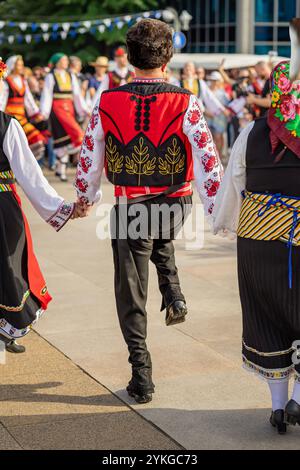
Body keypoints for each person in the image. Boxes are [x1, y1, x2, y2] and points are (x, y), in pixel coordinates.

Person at [75, 18, 222, 404]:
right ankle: (173, 292)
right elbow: (208, 157)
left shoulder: (107, 100)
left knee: (130, 290)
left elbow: (90, 153)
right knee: (161, 232)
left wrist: (84, 198)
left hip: (130, 205)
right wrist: (217, 209)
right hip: (176, 202)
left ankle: (142, 374)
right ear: (167, 56)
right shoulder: (186, 100)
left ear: (128, 56)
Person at [213, 18, 300, 434]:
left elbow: (235, 183)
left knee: (268, 318)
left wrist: (226, 223)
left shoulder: (251, 130)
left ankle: (280, 409)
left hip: (258, 240)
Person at [0, 58, 86, 355]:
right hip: (2, 206)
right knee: (9, 266)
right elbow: (31, 177)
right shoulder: (7, 126)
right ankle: (7, 327)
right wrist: (64, 208)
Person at [40, 53, 89, 181]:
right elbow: (47, 94)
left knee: (68, 139)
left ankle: (60, 170)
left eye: (66, 60)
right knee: (68, 137)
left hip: (69, 108)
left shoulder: (70, 75)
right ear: (57, 62)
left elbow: (77, 94)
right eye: (63, 60)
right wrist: (44, 112)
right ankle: (61, 170)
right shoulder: (50, 76)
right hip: (57, 110)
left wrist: (84, 110)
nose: (66, 62)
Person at [0, 55, 47, 163]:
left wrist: (35, 112)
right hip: (10, 117)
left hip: (22, 117)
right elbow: (2, 99)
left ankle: (24, 164)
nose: (21, 67)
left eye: (21, 65)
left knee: (37, 140)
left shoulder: (23, 80)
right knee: (14, 144)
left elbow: (28, 99)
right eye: (18, 65)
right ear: (12, 66)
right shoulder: (7, 81)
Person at [206, 71, 230, 160]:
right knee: (209, 138)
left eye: (216, 80)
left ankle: (218, 156)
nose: (214, 82)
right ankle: (211, 157)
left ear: (219, 81)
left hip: (219, 119)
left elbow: (226, 106)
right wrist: (206, 112)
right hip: (207, 117)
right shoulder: (206, 91)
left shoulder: (223, 93)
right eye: (212, 80)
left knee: (218, 137)